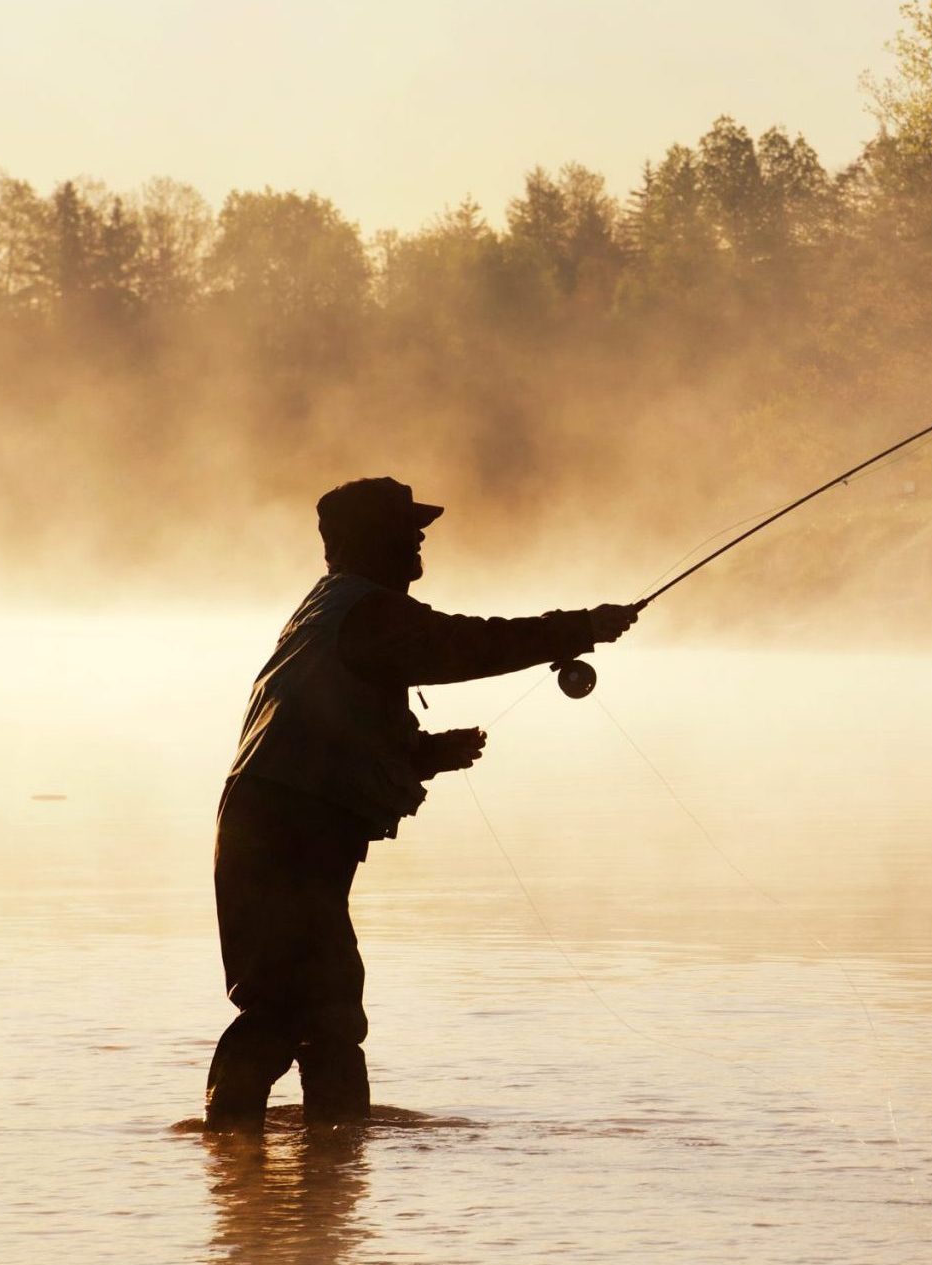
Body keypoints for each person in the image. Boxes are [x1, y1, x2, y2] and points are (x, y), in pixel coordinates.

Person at [204, 476, 637, 1133]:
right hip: (283, 831)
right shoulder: (367, 611)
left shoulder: (334, 610)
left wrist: (429, 752)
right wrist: (574, 629)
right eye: (404, 528)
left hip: (278, 827)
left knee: (327, 1008)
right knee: (292, 1005)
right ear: (359, 541)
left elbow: (336, 729)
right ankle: (235, 1151)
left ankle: (321, 1172)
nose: (418, 538)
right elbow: (465, 645)